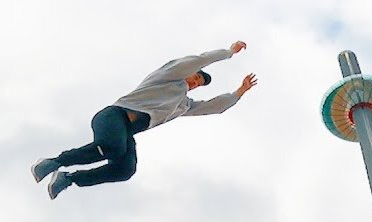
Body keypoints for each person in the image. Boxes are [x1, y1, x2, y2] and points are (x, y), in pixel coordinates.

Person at [31, 42, 259, 199]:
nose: (194, 83)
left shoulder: (183, 105)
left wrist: (240, 91)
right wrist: (229, 52)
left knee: (125, 169)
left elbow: (212, 107)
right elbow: (197, 60)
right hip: (113, 116)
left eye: (198, 84)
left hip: (126, 132)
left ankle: (68, 179)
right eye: (196, 78)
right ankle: (54, 162)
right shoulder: (167, 77)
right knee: (113, 147)